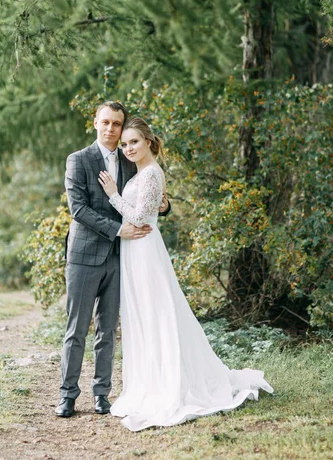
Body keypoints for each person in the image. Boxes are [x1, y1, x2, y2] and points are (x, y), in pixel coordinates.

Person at [98, 116, 273, 432]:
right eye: (124, 144)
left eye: (133, 142)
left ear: (149, 142)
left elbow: (139, 216)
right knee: (142, 316)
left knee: (158, 313)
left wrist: (113, 194)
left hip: (145, 250)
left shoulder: (151, 174)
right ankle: (149, 381)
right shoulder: (141, 173)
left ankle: (170, 383)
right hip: (134, 252)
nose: (127, 148)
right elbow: (151, 209)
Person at [56, 102, 170, 419]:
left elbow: (148, 193)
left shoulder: (130, 159)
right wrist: (119, 229)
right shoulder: (78, 160)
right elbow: (78, 209)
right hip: (84, 256)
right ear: (95, 123)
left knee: (108, 330)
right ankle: (67, 395)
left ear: (122, 128)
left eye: (117, 124)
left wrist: (164, 205)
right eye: (105, 122)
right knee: (76, 329)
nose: (111, 129)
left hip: (121, 259)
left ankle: (101, 394)